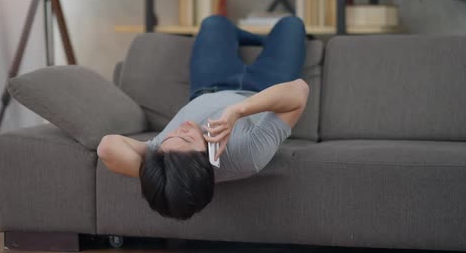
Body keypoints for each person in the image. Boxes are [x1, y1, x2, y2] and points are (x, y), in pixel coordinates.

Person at [97, 15, 310, 220]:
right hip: (266, 86)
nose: (183, 128)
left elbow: (106, 147)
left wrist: (159, 175)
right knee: (291, 25)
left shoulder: (166, 158)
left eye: (170, 137)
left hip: (210, 83)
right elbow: (299, 91)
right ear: (204, 161)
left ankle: (257, 41)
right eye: (188, 138)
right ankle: (270, 43)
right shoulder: (247, 155)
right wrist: (236, 112)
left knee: (214, 22)